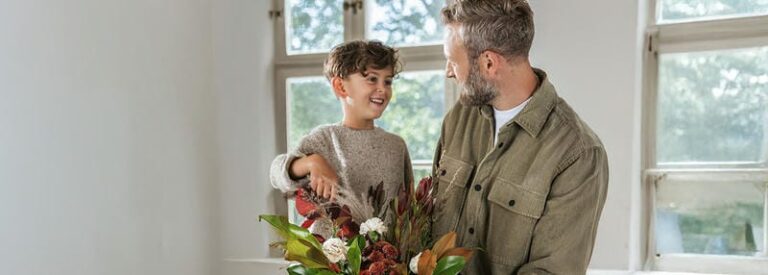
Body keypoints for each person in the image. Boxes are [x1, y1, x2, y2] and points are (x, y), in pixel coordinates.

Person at [431, 0, 609, 274]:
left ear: (489, 63)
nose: (448, 71)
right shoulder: (458, 118)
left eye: (453, 61)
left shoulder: (578, 153)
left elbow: (552, 270)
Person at [270, 40, 413, 239]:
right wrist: (312, 162)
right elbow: (277, 174)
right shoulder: (325, 139)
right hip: (331, 264)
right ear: (340, 86)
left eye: (387, 81)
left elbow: (410, 210)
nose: (382, 89)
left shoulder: (396, 146)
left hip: (389, 263)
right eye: (372, 79)